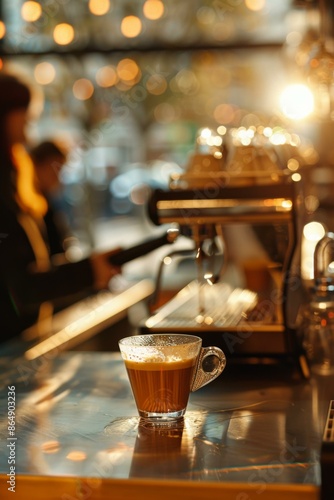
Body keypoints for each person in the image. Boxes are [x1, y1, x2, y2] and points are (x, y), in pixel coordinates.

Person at [0, 72, 121, 342]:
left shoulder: (13, 184)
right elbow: (22, 287)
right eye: (25, 118)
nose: (28, 131)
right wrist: (89, 272)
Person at [29, 139, 71, 257]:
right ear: (36, 166)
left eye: (60, 171)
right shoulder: (29, 205)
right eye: (55, 170)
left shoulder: (47, 201)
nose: (57, 178)